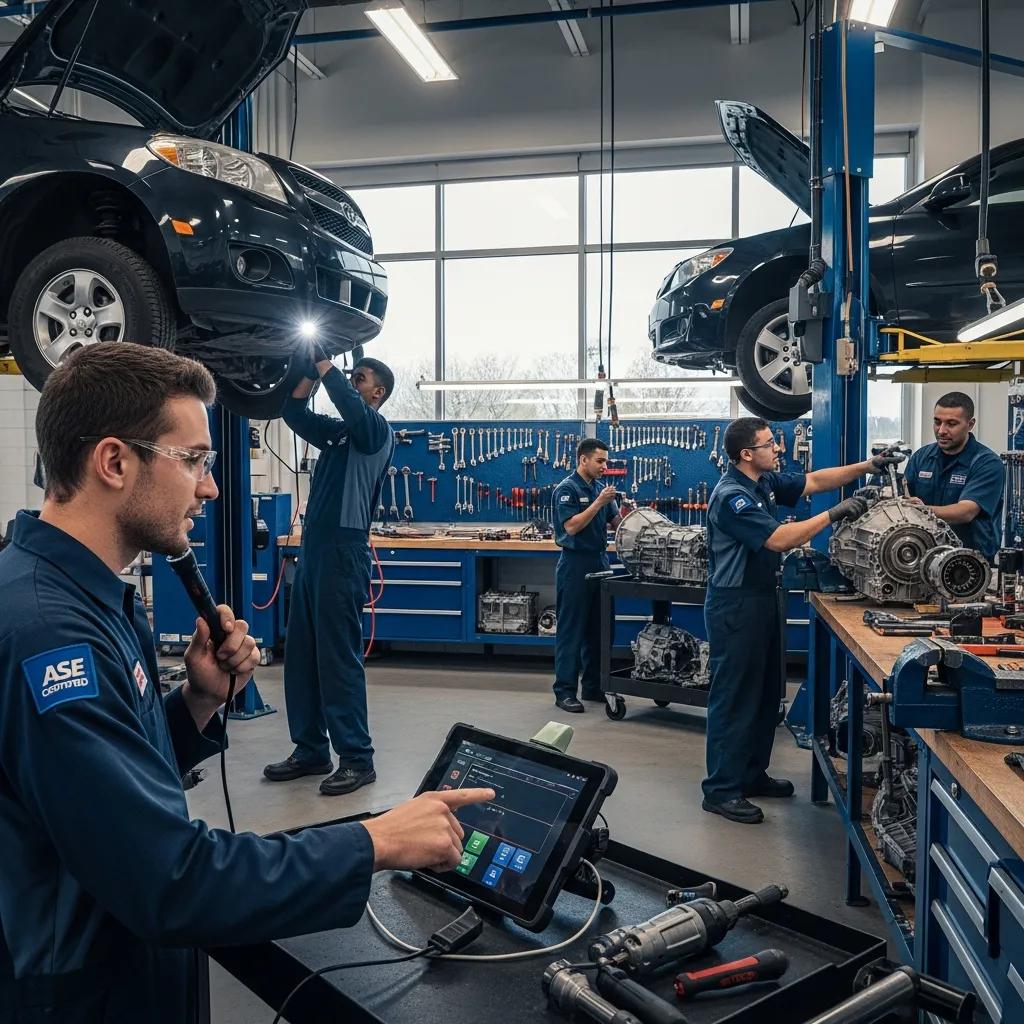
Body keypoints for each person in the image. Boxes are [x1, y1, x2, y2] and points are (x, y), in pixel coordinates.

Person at [0, 343, 492, 1022]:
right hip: (84, 994)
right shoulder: (52, 636)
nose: (210, 487)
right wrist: (374, 841)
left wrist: (196, 702)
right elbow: (170, 881)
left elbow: (100, 784)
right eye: (196, 460)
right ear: (114, 462)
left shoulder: (85, 596)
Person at [702, 417, 904, 825]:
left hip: (762, 599)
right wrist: (837, 513)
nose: (777, 448)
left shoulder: (762, 483)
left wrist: (869, 466)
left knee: (764, 695)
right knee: (736, 697)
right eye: (769, 443)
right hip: (735, 605)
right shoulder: (731, 496)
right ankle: (721, 789)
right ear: (746, 454)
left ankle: (751, 775)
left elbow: (813, 481)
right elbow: (779, 539)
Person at [264, 353, 396, 796]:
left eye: (360, 378)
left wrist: (324, 361)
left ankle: (358, 759)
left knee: (338, 660)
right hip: (313, 553)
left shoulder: (375, 431)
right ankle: (310, 750)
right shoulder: (339, 435)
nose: (351, 382)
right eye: (351, 376)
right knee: (301, 655)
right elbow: (293, 412)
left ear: (376, 393)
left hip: (343, 553)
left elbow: (345, 400)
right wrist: (304, 370)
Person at [551, 437, 625, 713]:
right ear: (583, 460)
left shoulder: (600, 489)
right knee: (572, 631)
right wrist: (598, 503)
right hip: (575, 565)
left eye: (606, 461)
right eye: (600, 461)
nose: (605, 466)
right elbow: (571, 527)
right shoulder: (567, 490)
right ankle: (565, 691)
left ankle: (593, 686)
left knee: (600, 630)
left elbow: (617, 523)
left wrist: (639, 522)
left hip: (600, 561)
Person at [902, 392, 1004, 562]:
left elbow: (966, 512)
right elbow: (903, 498)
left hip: (969, 560)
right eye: (937, 422)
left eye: (951, 424)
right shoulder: (922, 457)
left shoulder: (987, 463)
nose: (941, 430)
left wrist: (922, 510)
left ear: (970, 424)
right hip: (924, 557)